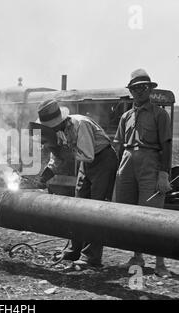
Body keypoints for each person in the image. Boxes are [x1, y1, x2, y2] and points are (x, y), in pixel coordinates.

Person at [30, 99, 118, 268]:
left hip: (103, 160)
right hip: (87, 163)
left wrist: (64, 151)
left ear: (61, 121)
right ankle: (74, 249)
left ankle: (90, 257)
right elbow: (58, 158)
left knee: (95, 208)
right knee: (77, 206)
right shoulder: (58, 131)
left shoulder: (81, 124)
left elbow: (87, 154)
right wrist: (44, 177)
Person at [114, 69, 172, 277]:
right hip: (127, 163)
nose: (138, 92)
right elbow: (120, 146)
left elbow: (166, 145)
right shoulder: (126, 116)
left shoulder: (160, 114)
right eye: (135, 89)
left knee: (153, 214)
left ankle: (160, 263)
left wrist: (163, 173)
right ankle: (137, 256)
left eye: (142, 88)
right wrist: (118, 170)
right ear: (130, 91)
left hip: (150, 162)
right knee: (130, 212)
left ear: (149, 89)